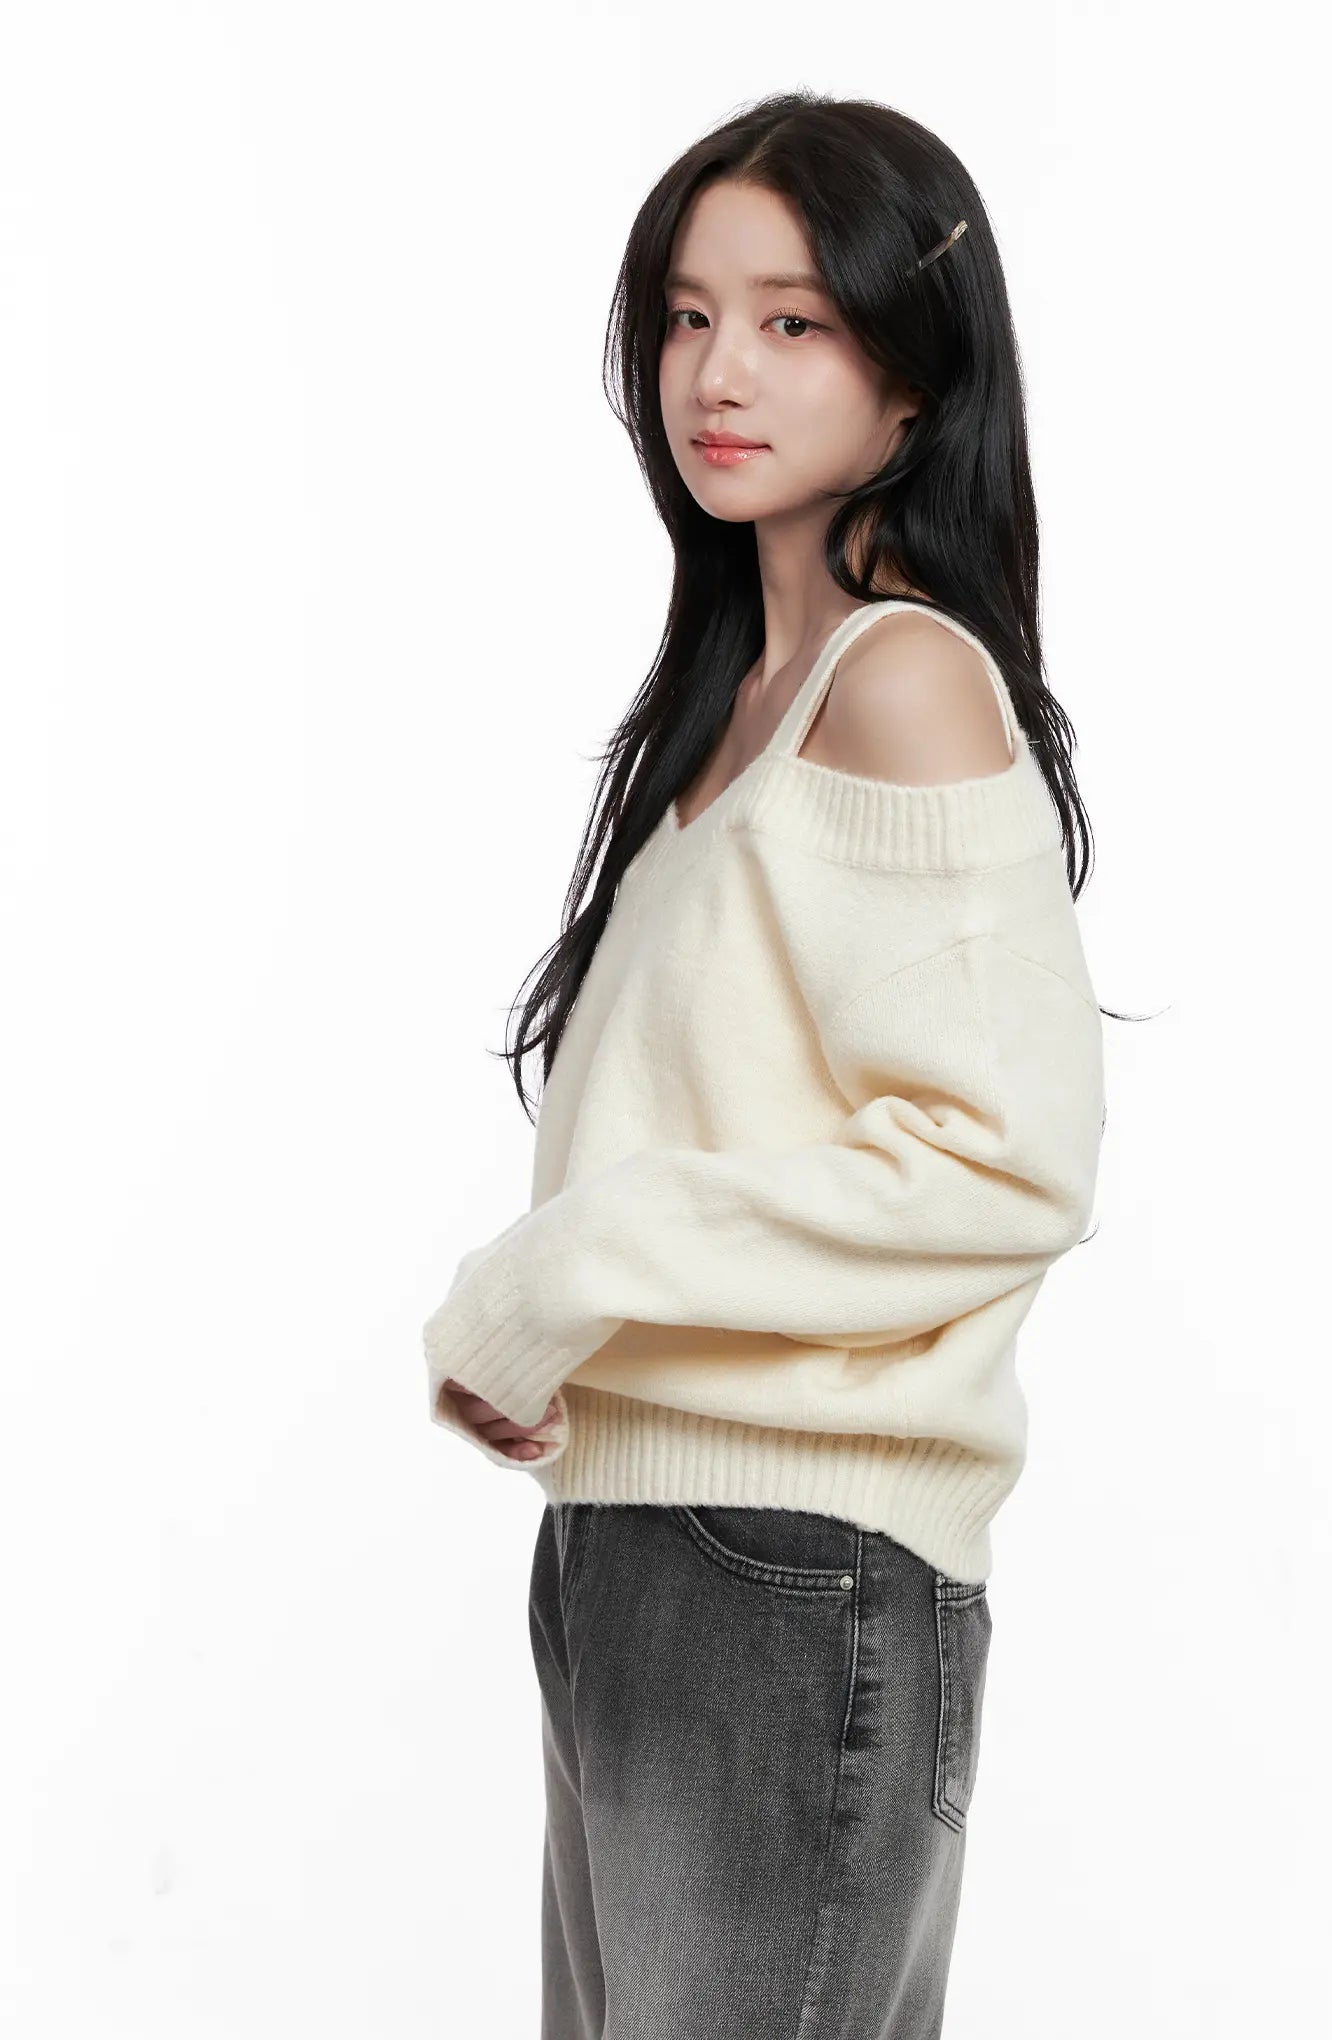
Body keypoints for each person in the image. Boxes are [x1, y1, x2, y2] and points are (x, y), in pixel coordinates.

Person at [421, 89, 1112, 2040]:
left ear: (915, 369)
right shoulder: (741, 703)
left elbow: (1005, 1159)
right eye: (688, 314)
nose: (717, 373)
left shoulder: (902, 680)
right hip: (653, 1548)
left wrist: (565, 1274)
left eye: (793, 321)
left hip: (789, 1571)